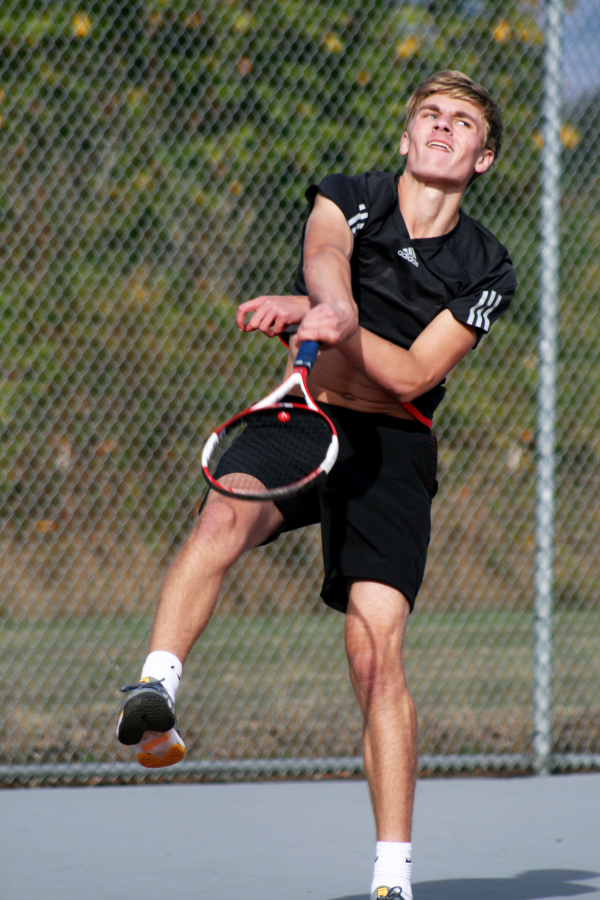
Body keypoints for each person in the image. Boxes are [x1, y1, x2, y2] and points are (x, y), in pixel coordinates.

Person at [115, 70, 517, 900]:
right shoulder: (349, 195)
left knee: (375, 653)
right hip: (308, 407)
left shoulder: (489, 267)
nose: (444, 127)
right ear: (405, 139)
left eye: (464, 122)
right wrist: (324, 305)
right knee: (224, 512)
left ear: (484, 157)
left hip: (394, 443)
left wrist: (333, 322)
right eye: (430, 116)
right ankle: (156, 687)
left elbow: (410, 372)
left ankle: (391, 880)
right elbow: (325, 252)